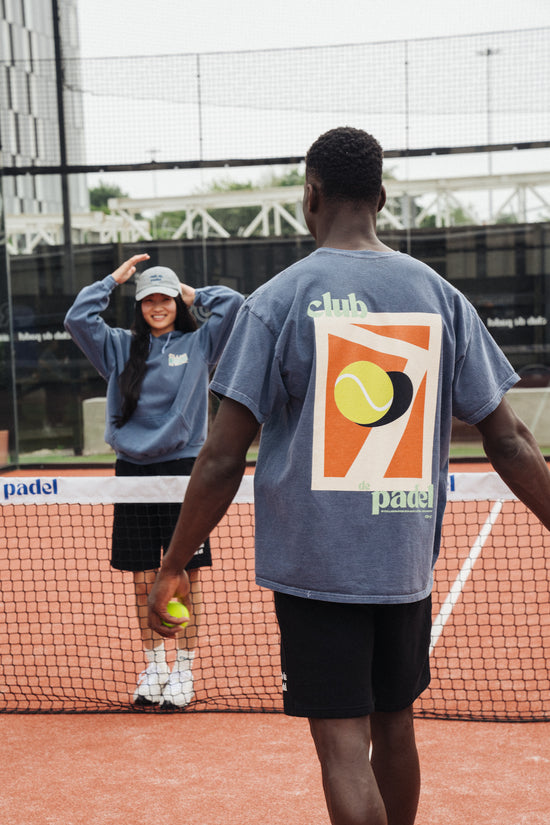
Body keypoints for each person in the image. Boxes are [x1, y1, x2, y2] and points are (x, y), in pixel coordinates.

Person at [147, 127, 550, 825]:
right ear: (382, 199)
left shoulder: (276, 300)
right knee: (395, 725)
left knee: (341, 744)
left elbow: (220, 456)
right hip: (403, 565)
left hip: (314, 569)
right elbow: (510, 439)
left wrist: (174, 562)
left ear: (312, 195)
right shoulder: (439, 296)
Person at [64, 254, 243, 709]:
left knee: (185, 576)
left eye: (164, 298)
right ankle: (155, 669)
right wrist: (112, 280)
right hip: (133, 473)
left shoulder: (199, 343)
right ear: (139, 305)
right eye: (148, 299)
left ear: (175, 302)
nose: (157, 306)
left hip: (185, 472)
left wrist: (192, 292)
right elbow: (77, 318)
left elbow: (235, 305)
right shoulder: (119, 347)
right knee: (144, 579)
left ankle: (183, 671)